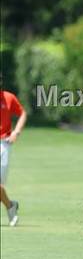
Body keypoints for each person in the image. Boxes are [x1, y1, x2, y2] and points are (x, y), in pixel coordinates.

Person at [0, 89, 27, 226]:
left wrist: (16, 132)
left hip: (3, 143)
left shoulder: (8, 98)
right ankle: (10, 206)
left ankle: (10, 206)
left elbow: (22, 113)